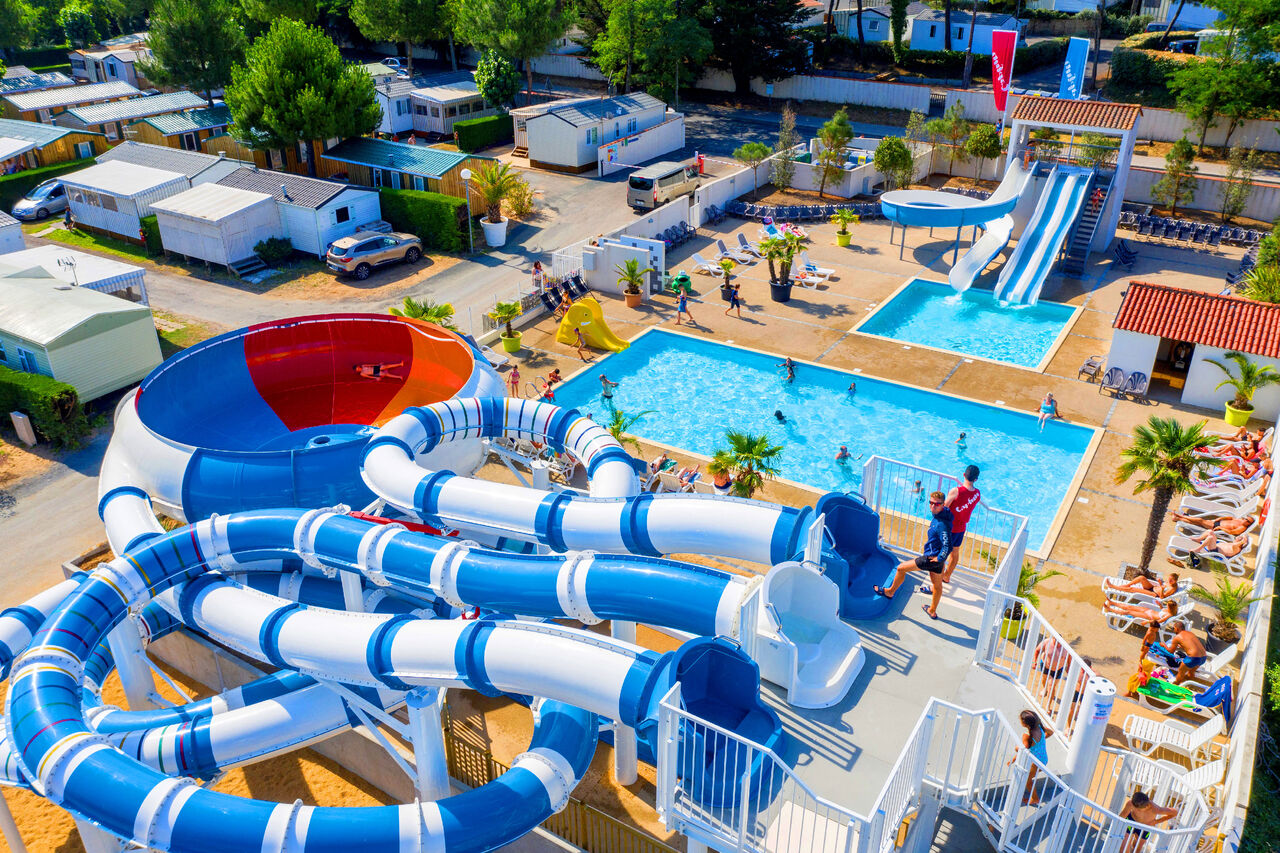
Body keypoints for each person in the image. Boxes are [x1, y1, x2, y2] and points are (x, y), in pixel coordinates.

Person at [874, 491, 952, 620]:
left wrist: (939, 558)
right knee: (937, 586)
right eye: (931, 503)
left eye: (937, 504)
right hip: (936, 560)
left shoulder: (941, 524)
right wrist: (940, 560)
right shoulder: (943, 514)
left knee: (901, 568)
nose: (933, 506)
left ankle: (890, 592)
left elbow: (947, 545)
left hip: (930, 559)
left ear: (943, 505)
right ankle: (932, 611)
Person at [941, 465, 981, 582]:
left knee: (942, 553)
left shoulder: (956, 491)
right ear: (975, 479)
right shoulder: (977, 494)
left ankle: (938, 579)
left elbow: (944, 508)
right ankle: (947, 576)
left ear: (964, 475)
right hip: (961, 528)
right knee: (955, 552)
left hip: (949, 528)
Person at [1008, 710, 1053, 806]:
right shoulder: (1040, 728)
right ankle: (1033, 797)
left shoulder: (1027, 736)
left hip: (1035, 763)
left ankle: (1035, 798)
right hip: (1043, 759)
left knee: (1027, 781)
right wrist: (1042, 740)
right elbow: (1050, 732)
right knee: (1028, 777)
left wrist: (1016, 748)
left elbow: (1022, 749)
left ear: (1024, 723)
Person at [1032, 635, 1071, 701]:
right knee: (1044, 679)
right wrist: (1034, 661)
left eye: (1059, 642)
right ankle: (1045, 688)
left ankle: (1049, 704)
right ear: (1053, 638)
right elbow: (1037, 650)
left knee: (1052, 686)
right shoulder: (1047, 642)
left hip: (1058, 669)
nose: (1058, 644)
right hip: (1045, 665)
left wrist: (1068, 667)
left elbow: (1069, 658)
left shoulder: (1065, 647)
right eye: (1056, 641)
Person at [1106, 569, 1180, 600]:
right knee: (1142, 577)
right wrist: (1160, 583)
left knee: (1133, 589)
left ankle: (1113, 586)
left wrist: (1161, 590)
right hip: (1152, 587)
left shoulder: (1172, 589)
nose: (1169, 580)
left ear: (1175, 581)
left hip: (1154, 594)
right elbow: (1161, 587)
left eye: (1171, 580)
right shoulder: (1169, 583)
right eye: (1169, 579)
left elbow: (1162, 598)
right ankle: (1127, 585)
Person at [1170, 510, 1255, 536]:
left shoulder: (1242, 528)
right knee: (1197, 523)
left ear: (1249, 524)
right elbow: (1231, 518)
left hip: (1217, 527)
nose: (1245, 520)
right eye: (1245, 518)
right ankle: (1177, 518)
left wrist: (1221, 528)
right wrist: (1221, 518)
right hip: (1218, 522)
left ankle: (1179, 516)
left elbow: (1232, 532)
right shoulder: (1240, 520)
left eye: (1247, 521)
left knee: (1200, 520)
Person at [1180, 529, 1251, 559]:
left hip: (1215, 551)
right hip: (1216, 546)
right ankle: (1199, 539)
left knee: (1210, 537)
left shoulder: (1237, 548)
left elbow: (1234, 545)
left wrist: (1242, 541)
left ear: (1240, 542)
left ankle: (1198, 549)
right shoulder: (1235, 544)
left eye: (1239, 537)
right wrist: (1242, 540)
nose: (1237, 537)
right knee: (1210, 531)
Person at [1103, 597, 1179, 625]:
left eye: (1168, 606)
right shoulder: (1167, 610)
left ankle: (1110, 609)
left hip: (1149, 616)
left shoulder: (1169, 615)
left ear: (1171, 608)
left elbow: (1159, 621)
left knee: (1128, 612)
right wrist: (1160, 605)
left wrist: (1147, 622)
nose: (1167, 606)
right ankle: (1112, 602)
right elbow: (1162, 609)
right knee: (1129, 607)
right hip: (1149, 610)